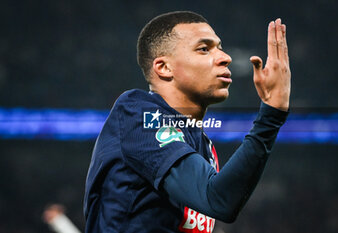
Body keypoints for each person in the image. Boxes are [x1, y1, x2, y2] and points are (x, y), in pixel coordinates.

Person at [84, 11, 291, 233]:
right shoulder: (137, 113)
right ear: (164, 68)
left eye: (220, 47)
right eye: (204, 49)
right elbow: (219, 200)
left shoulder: (201, 144)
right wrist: (270, 116)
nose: (225, 57)